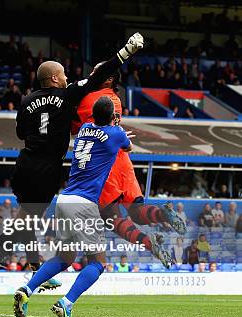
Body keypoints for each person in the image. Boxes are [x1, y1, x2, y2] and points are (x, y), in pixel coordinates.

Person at [0, 33, 145, 296]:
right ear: (54, 79)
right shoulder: (66, 95)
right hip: (46, 168)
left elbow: (21, 134)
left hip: (25, 164)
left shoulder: (26, 101)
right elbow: (97, 77)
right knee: (23, 224)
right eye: (63, 75)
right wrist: (126, 52)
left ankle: (36, 269)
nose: (67, 78)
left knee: (29, 218)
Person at [13, 96, 134, 317]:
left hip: (65, 199)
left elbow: (100, 130)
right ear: (111, 117)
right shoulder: (115, 134)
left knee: (64, 258)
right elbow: (128, 147)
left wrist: (110, 123)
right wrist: (117, 127)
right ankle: (66, 303)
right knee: (98, 263)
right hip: (84, 204)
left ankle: (27, 289)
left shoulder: (85, 129)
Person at [73, 62, 184, 268]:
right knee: (137, 212)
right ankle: (161, 215)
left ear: (108, 78)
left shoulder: (89, 98)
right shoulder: (115, 100)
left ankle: (149, 242)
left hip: (104, 166)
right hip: (123, 160)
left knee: (111, 219)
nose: (91, 74)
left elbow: (73, 126)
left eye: (97, 71)